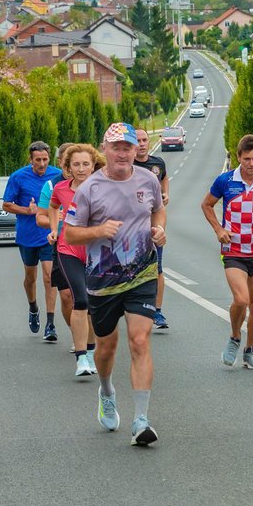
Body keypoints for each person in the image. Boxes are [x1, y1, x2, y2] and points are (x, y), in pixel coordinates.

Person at [65, 122, 166, 446]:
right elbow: (70, 233)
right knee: (107, 347)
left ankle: (141, 419)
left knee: (139, 340)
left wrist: (158, 230)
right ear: (104, 150)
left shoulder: (148, 179)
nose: (123, 153)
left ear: (136, 149)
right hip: (103, 280)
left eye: (128, 147)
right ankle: (107, 389)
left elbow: (159, 211)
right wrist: (97, 231)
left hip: (141, 273)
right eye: (116, 147)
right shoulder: (89, 189)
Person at [201, 134, 253, 369]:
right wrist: (218, 229)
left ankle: (250, 349)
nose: (251, 164)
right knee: (241, 299)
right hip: (234, 249)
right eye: (246, 159)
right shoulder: (226, 180)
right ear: (238, 157)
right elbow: (206, 204)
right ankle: (235, 336)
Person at [49, 144, 105, 377]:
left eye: (85, 164)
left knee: (93, 303)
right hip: (68, 249)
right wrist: (54, 228)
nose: (81, 169)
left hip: (97, 251)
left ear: (94, 165)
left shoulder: (104, 188)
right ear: (68, 167)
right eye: (76, 164)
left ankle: (91, 352)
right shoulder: (61, 188)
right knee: (79, 299)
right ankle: (81, 357)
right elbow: (53, 207)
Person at [3, 141, 61, 342]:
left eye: (45, 159)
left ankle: (50, 323)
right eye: (38, 160)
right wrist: (26, 211)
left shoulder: (57, 175)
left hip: (48, 234)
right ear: (30, 160)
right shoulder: (18, 177)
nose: (42, 164)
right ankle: (33, 306)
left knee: (49, 276)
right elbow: (7, 204)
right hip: (27, 235)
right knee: (30, 278)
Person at [36, 144, 74, 346]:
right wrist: (54, 223)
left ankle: (91, 338)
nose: (72, 167)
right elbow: (40, 218)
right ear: (60, 163)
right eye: (67, 163)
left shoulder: (94, 182)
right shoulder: (52, 186)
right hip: (62, 245)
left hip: (89, 246)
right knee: (67, 296)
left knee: (88, 297)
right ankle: (77, 335)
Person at [134, 128, 170, 329]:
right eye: (137, 140)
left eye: (144, 139)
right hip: (131, 229)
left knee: (157, 268)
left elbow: (164, 178)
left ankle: (157, 311)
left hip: (153, 227)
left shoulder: (157, 163)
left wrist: (165, 194)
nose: (141, 143)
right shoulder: (127, 165)